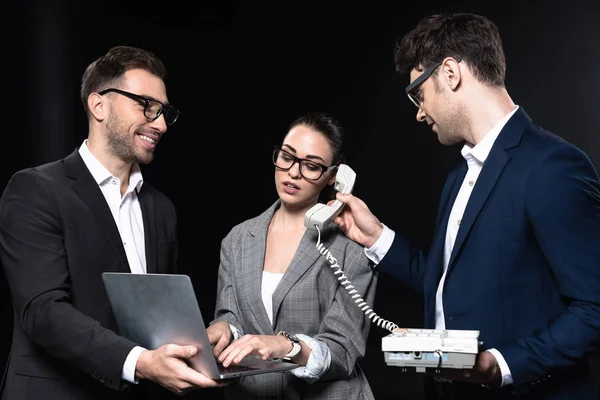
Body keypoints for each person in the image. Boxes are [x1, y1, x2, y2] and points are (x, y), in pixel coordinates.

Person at [333, 12, 600, 400]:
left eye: (417, 94)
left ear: (451, 73)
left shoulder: (553, 166)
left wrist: (500, 365)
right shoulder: (461, 173)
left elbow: (594, 307)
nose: (419, 112)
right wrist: (377, 237)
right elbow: (450, 282)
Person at [0, 45, 224, 400]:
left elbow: (156, 318)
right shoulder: (35, 190)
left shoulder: (162, 209)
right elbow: (43, 313)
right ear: (98, 105)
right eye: (146, 105)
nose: (161, 123)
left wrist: (197, 343)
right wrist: (140, 362)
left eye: (164, 111)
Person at [205, 111, 378, 399]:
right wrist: (224, 331)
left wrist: (287, 347)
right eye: (287, 157)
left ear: (333, 178)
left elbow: (343, 350)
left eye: (311, 166)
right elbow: (231, 316)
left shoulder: (350, 247)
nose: (294, 172)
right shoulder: (237, 240)